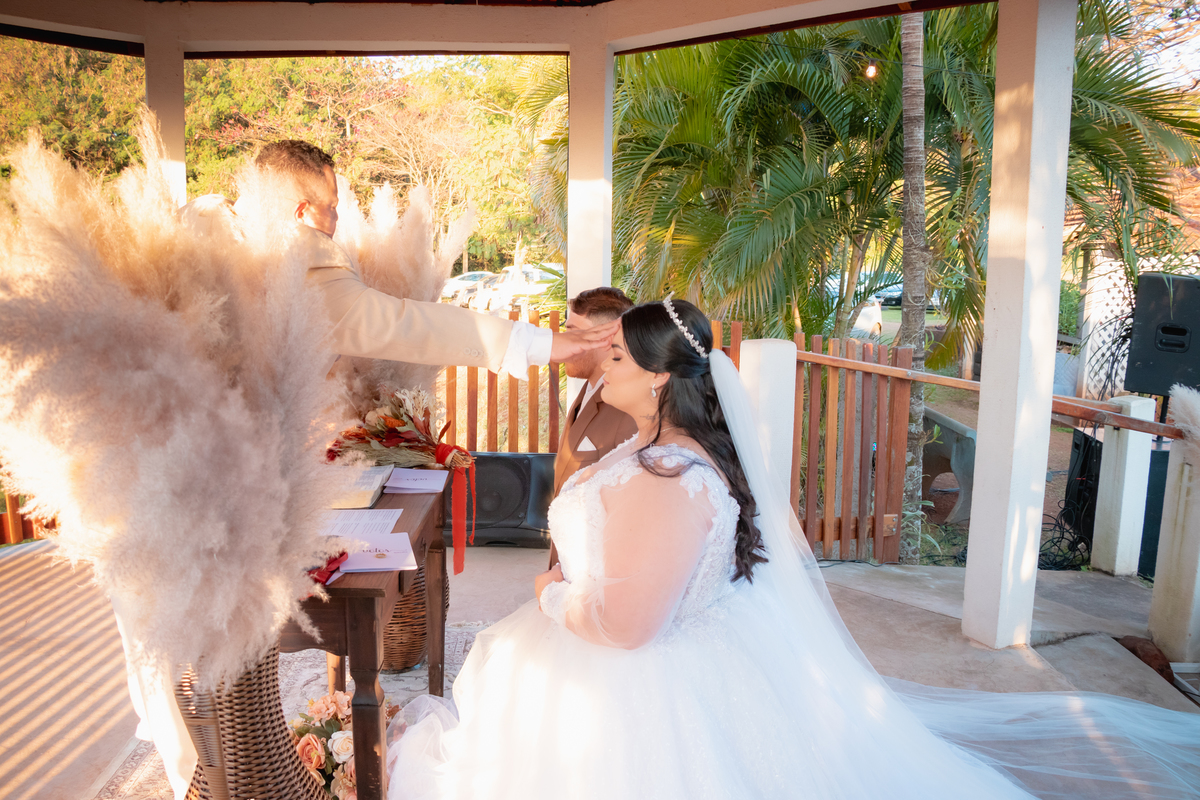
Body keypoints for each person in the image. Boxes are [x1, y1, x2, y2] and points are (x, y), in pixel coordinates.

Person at [386, 298, 1200, 800]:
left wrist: (549, 595)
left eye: (618, 357)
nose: (601, 367)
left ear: (661, 379)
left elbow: (630, 627)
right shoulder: (649, 451)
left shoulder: (667, 474)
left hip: (636, 691)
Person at [126, 140, 617, 800]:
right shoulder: (301, 263)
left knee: (185, 692)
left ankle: (210, 778)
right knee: (212, 699)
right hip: (206, 510)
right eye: (333, 206)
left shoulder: (201, 247)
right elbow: (411, 324)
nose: (338, 222)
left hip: (150, 504)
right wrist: (545, 344)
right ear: (305, 211)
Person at [548, 287, 637, 567]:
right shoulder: (586, 390)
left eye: (573, 331)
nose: (563, 341)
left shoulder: (627, 411)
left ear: (604, 339)